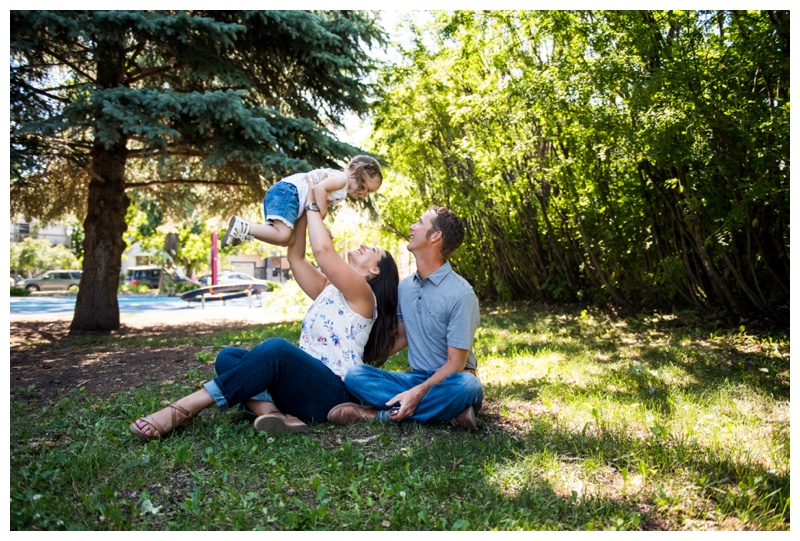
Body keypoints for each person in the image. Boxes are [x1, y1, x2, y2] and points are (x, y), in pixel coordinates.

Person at [130, 184, 399, 441]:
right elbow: (296, 257)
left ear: (375, 271)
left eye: (373, 251)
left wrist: (314, 202)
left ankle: (184, 408)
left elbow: (322, 250)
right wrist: (304, 207)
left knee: (276, 350)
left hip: (331, 394)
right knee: (229, 358)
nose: (365, 245)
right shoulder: (329, 289)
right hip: (302, 388)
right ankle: (272, 414)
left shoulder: (364, 295)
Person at [327, 206, 483, 430]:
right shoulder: (406, 288)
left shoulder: (461, 294)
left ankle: (375, 415)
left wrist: (417, 393)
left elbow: (455, 364)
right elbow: (401, 336)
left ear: (436, 236)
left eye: (420, 223)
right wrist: (358, 357)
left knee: (469, 387)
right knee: (355, 375)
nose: (412, 226)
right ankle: (449, 413)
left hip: (451, 379)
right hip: (414, 378)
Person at [220, 155, 382, 249]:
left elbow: (313, 204)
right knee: (284, 236)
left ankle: (244, 232)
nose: (364, 194)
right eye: (367, 189)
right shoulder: (341, 180)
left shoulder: (341, 184)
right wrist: (322, 215)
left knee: (287, 240)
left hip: (286, 194)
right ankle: (242, 226)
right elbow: (318, 189)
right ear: (361, 176)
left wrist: (322, 227)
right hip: (289, 193)